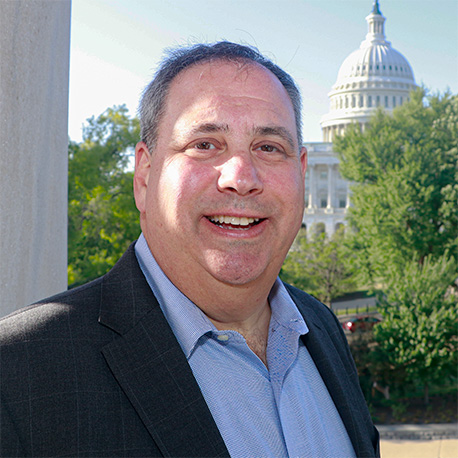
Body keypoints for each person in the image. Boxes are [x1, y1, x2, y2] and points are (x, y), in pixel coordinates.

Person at [0, 41, 379, 457]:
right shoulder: (18, 374)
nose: (240, 177)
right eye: (206, 144)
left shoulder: (322, 328)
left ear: (303, 173)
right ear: (145, 176)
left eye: (269, 147)